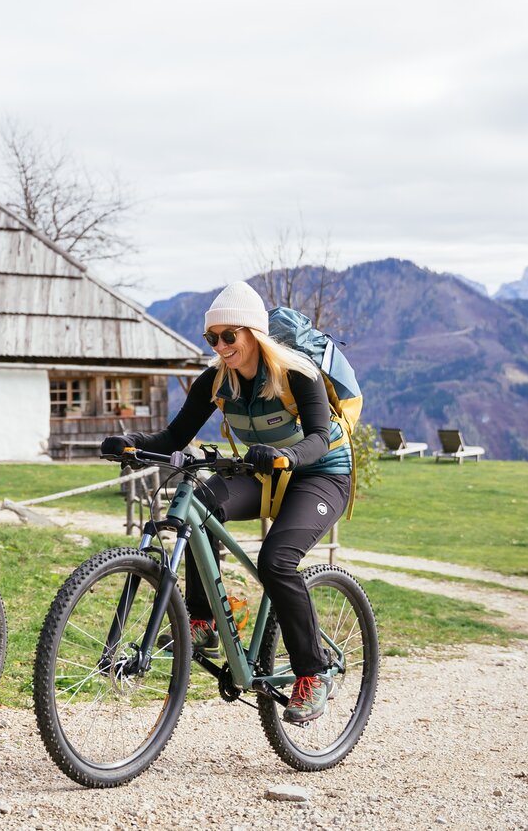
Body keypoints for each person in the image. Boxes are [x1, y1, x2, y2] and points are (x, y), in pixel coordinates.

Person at [100, 281, 351, 724]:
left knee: (276, 560)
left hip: (320, 474)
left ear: (254, 333)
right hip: (264, 470)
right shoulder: (216, 380)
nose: (220, 346)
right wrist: (132, 442)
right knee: (199, 504)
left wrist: (287, 457)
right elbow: (173, 437)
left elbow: (316, 438)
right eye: (211, 338)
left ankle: (313, 672)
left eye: (228, 336)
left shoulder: (299, 374)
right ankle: (204, 624)